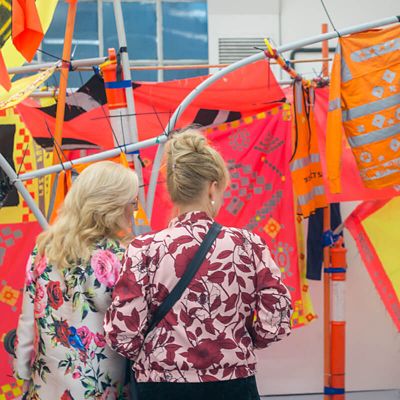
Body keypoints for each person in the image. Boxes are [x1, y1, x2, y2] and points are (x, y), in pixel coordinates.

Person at [104, 129, 292, 400]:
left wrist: (154, 351)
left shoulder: (144, 249)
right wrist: (240, 340)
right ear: (213, 187)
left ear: (172, 190)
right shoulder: (248, 245)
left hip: (161, 386)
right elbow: (275, 320)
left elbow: (122, 333)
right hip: (232, 383)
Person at [14, 161, 139, 400]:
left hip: (47, 385)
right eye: (132, 202)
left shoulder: (43, 249)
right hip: (101, 387)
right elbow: (130, 333)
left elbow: (27, 322)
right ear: (111, 206)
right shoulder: (121, 257)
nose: (133, 209)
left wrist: (22, 374)